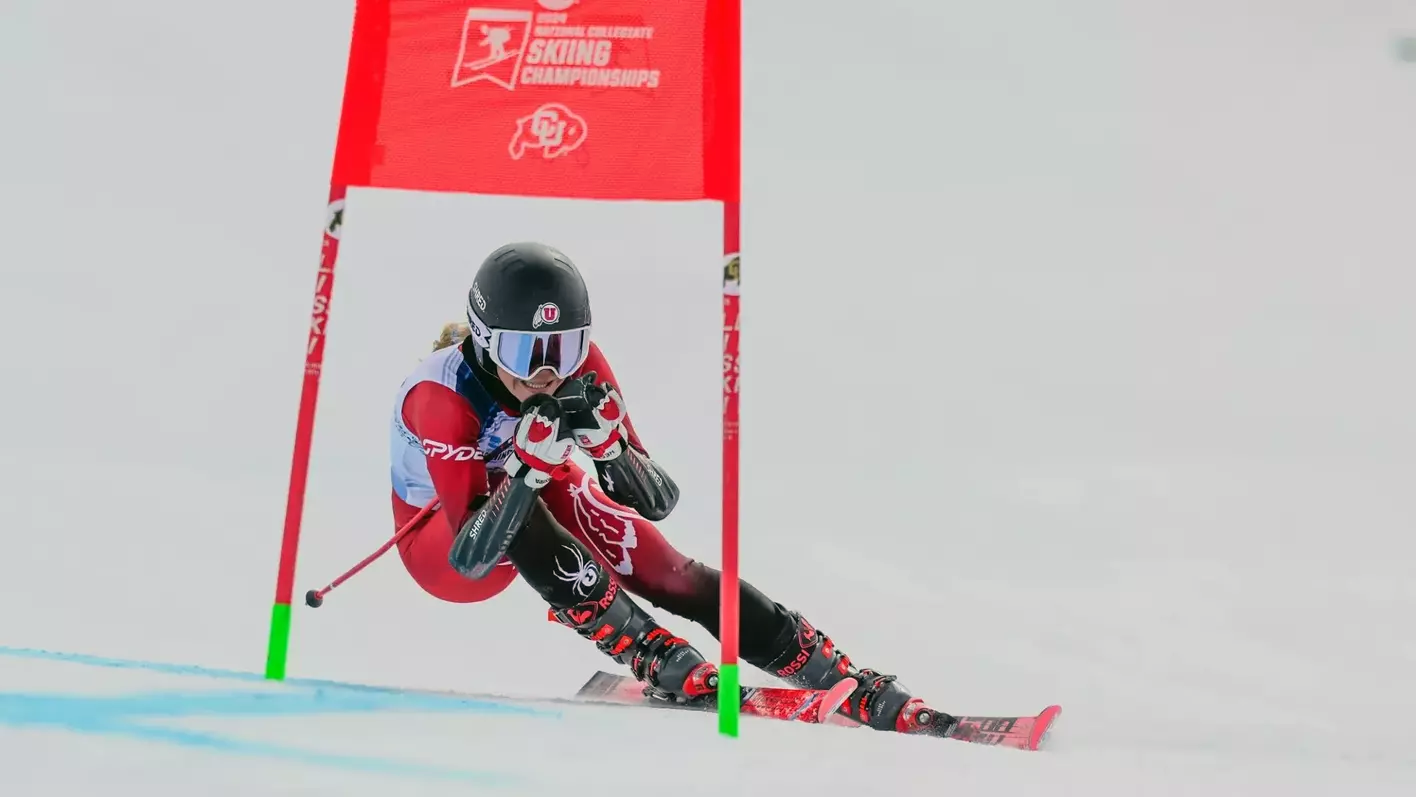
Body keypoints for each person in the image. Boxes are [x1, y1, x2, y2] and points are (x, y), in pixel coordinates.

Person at [388, 241, 953, 735]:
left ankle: (832, 669)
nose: (547, 373)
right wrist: (528, 471)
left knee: (668, 569)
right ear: (486, 342)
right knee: (526, 513)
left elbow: (657, 502)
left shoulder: (582, 369)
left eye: (565, 348)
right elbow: (471, 561)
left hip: (532, 485)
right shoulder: (441, 396)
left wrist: (613, 452)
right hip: (444, 539)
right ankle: (652, 651)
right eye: (526, 353)